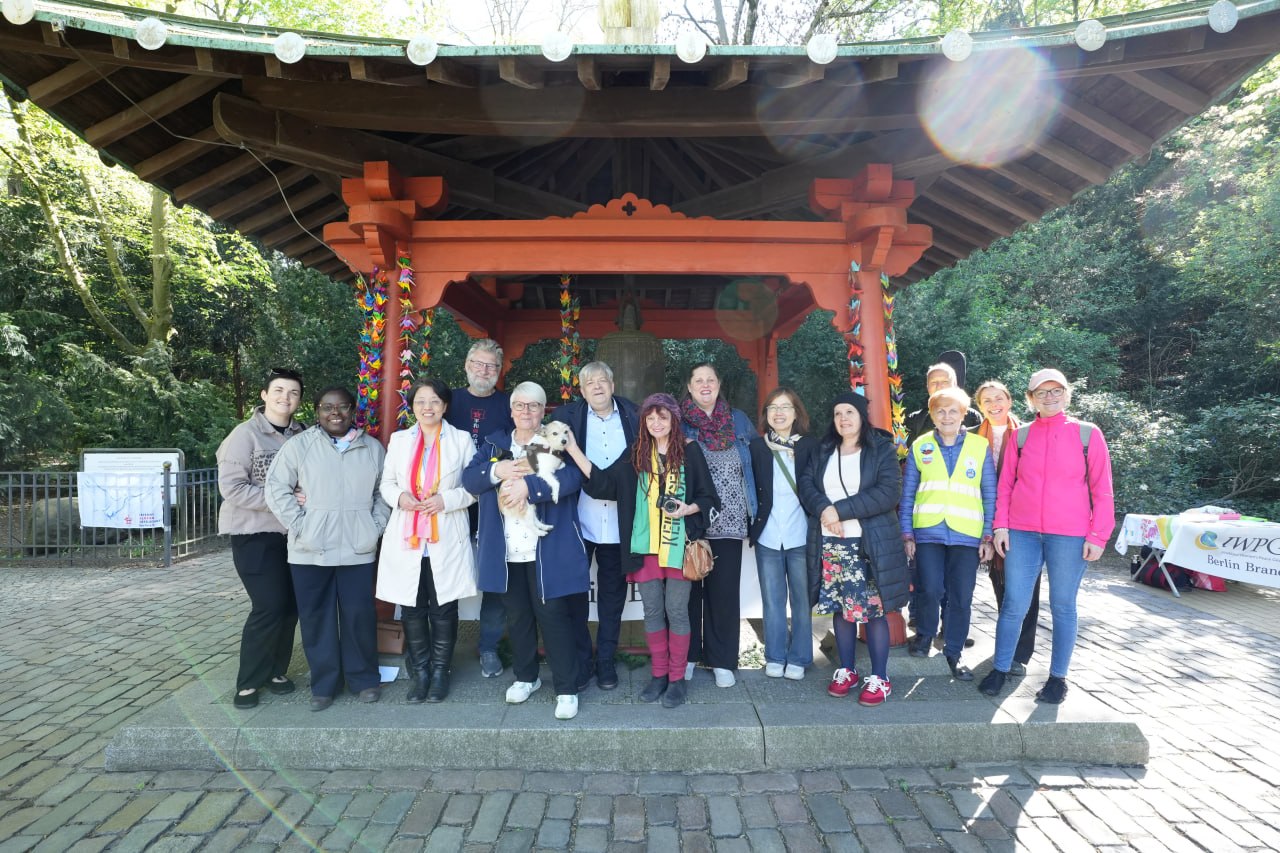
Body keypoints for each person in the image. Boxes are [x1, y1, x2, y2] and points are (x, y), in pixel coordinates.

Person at [564, 393, 718, 708]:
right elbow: (605, 484)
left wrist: (688, 508)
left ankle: (677, 679)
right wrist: (573, 450)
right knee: (652, 611)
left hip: (679, 546)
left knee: (677, 611)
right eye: (650, 417)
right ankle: (659, 675)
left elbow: (709, 497)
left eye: (663, 417)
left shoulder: (690, 450)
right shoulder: (636, 453)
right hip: (645, 545)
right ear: (643, 421)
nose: (656, 423)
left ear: (674, 419)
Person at [980, 369, 1115, 705]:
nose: (1050, 397)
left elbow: (1102, 489)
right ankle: (1000, 668)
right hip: (1022, 532)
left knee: (1063, 605)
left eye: (1056, 391)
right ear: (1031, 399)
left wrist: (1098, 535)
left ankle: (1057, 679)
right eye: (1042, 392)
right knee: (1014, 604)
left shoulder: (1087, 434)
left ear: (1066, 394)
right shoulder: (1021, 436)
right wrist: (1000, 526)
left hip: (1070, 535)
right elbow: (1005, 485)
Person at [462, 381, 590, 721]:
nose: (526, 411)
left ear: (542, 410)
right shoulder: (495, 444)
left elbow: (573, 479)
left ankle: (566, 688)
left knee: (554, 617)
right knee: (517, 617)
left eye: (534, 406)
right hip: (507, 549)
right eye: (520, 405)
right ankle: (526, 677)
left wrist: (529, 487)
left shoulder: (554, 440)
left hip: (545, 548)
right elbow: (470, 479)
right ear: (511, 410)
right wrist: (497, 470)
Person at [265, 386, 390, 712]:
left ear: (353, 410)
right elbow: (276, 488)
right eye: (327, 407)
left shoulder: (371, 448)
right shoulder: (299, 446)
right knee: (316, 618)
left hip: (358, 548)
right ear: (317, 411)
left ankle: (364, 679)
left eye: (343, 407)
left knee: (359, 616)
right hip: (310, 549)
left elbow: (384, 493)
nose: (335, 413)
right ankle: (324, 684)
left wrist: (374, 527)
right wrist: (300, 524)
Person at [798, 392, 909, 707]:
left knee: (873, 610)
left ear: (862, 416)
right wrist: (825, 510)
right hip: (830, 542)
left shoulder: (881, 449)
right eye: (837, 413)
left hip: (867, 544)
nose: (843, 418)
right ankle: (847, 670)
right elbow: (807, 485)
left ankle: (880, 677)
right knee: (841, 608)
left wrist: (840, 511)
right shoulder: (824, 450)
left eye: (849, 412)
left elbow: (888, 492)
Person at [376, 379, 478, 704]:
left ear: (445, 406)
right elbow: (386, 483)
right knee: (411, 607)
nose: (427, 407)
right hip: (407, 533)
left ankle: (440, 672)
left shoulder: (461, 440)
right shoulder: (399, 440)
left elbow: (474, 487)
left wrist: (446, 500)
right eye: (420, 401)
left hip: (445, 531)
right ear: (412, 406)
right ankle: (420, 672)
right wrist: (400, 497)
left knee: (444, 607)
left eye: (434, 401)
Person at [216, 367, 306, 709]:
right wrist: (282, 499)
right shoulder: (244, 435)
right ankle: (248, 681)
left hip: (292, 534)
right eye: (279, 390)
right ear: (265, 395)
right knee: (269, 605)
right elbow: (233, 488)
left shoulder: (302, 434)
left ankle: (275, 671)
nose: (286, 397)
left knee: (290, 606)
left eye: (293, 392)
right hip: (254, 534)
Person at [550, 361, 639, 691]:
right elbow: (548, 458)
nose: (597, 386)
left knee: (612, 600)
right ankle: (582, 660)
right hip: (579, 521)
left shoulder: (634, 415)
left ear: (613, 385)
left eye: (603, 381)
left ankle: (605, 662)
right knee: (575, 597)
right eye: (590, 383)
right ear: (582, 390)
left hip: (619, 523)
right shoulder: (567, 417)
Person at [898, 387, 996, 682]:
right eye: (940, 411)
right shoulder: (921, 446)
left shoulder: (979, 446)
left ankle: (954, 651)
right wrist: (907, 534)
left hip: (967, 533)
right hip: (928, 531)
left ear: (964, 414)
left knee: (961, 596)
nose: (947, 416)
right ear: (932, 415)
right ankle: (925, 636)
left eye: (953, 411)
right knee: (929, 589)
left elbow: (989, 492)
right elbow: (908, 493)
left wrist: (987, 536)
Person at [680, 363, 757, 688]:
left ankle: (722, 660)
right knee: (688, 594)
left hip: (731, 518)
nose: (705, 385)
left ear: (719, 383)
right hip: (691, 519)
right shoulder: (679, 421)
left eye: (710, 379)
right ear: (689, 386)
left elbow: (758, 462)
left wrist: (759, 511)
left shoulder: (738, 420)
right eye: (698, 380)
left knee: (723, 593)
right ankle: (687, 657)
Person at [445, 339, 515, 680]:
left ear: (499, 371)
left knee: (496, 574)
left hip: (493, 501)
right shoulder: (447, 401)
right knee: (443, 571)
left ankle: (488, 645)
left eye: (491, 366)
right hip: (449, 499)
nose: (484, 370)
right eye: (478, 363)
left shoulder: (509, 405)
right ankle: (440, 649)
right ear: (466, 365)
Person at [747, 388, 818, 681]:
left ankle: (800, 657)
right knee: (773, 601)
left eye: (785, 407)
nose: (779, 413)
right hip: (768, 534)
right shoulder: (757, 447)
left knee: (802, 600)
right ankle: (775, 655)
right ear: (766, 414)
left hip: (801, 534)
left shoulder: (810, 447)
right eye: (773, 407)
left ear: (796, 413)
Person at [974, 380, 1038, 675]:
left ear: (1010, 401)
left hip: (1023, 519)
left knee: (1027, 586)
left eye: (998, 398)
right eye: (986, 400)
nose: (994, 404)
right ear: (979, 406)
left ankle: (1021, 654)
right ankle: (1006, 646)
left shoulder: (1027, 434)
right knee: (1000, 582)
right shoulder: (972, 437)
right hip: (984, 518)